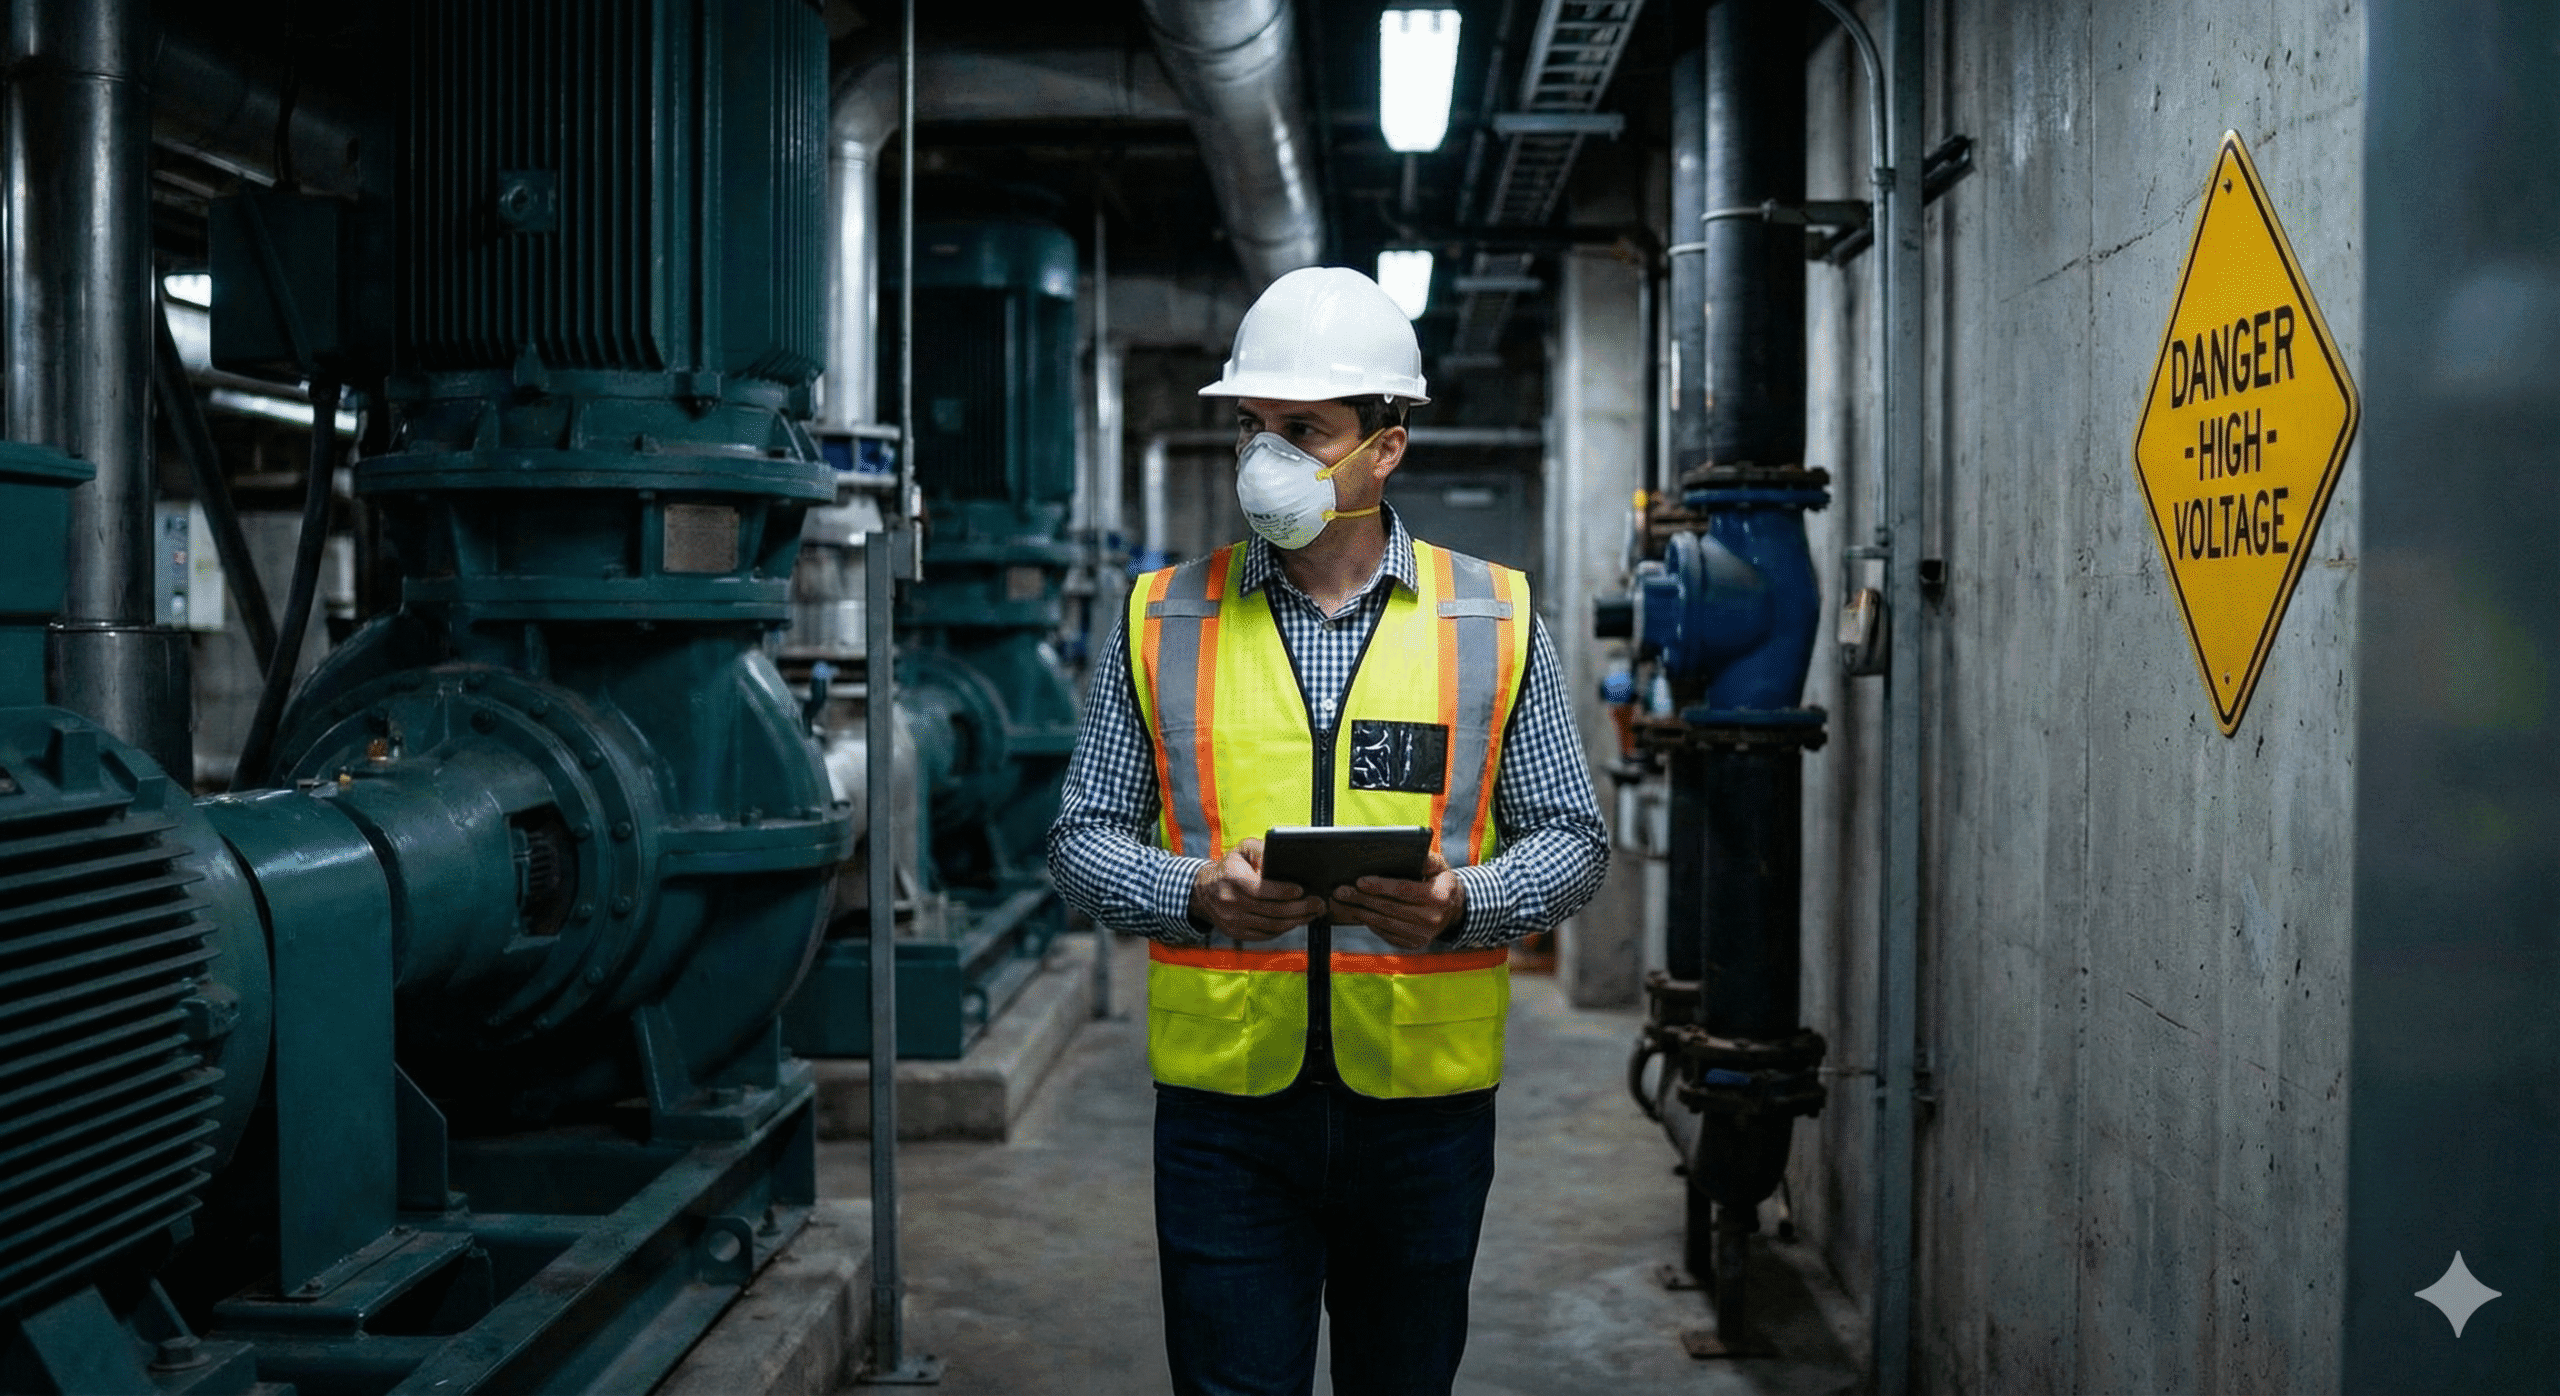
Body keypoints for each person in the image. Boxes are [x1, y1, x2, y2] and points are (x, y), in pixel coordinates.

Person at [1047, 265, 1608, 1396]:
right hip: (1224, 1113)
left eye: (1303, 430)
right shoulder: (1165, 612)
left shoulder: (1492, 613)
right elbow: (1080, 836)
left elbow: (1571, 838)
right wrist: (1195, 892)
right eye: (1252, 427)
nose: (1267, 457)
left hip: (1423, 1109)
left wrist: (1466, 903)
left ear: (1384, 447)